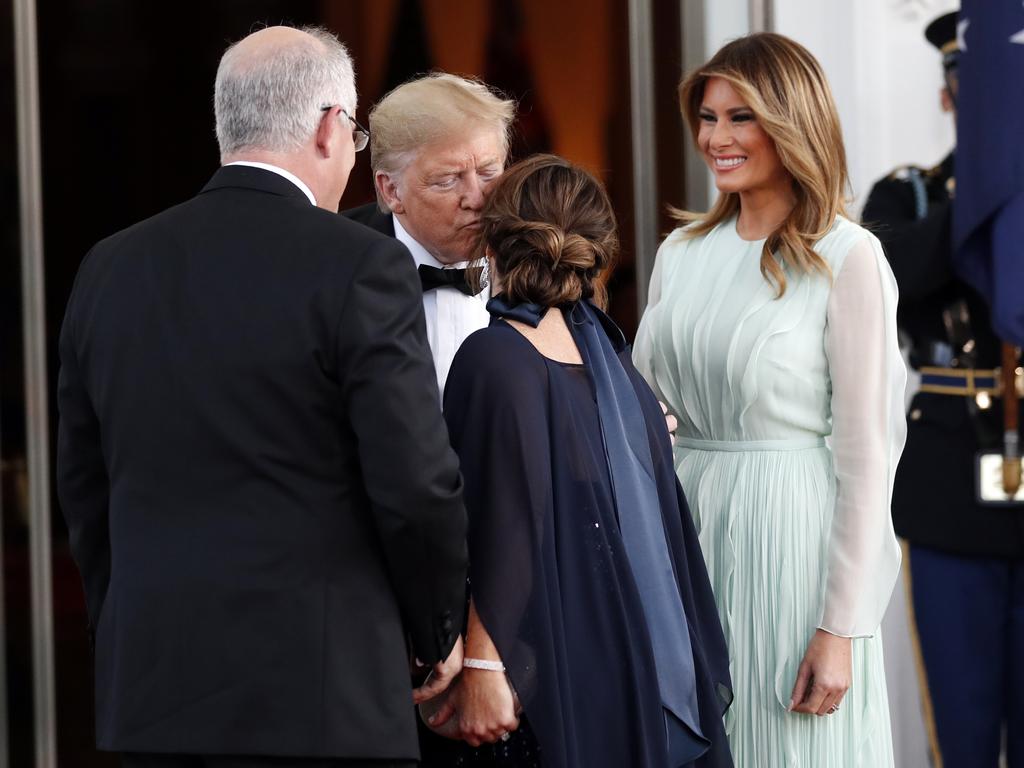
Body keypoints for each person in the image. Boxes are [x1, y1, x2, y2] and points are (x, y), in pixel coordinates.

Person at [56, 26, 468, 767]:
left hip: (154, 692)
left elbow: (84, 488)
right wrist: (436, 628)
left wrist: (129, 625)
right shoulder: (361, 263)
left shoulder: (109, 267)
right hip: (322, 698)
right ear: (328, 127)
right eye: (357, 135)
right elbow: (414, 482)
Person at [633, 33, 908, 766]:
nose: (714, 137)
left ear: (791, 123)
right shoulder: (681, 252)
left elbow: (867, 454)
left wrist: (842, 625)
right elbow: (642, 402)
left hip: (792, 541)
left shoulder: (849, 257)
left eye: (739, 117)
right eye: (708, 116)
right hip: (684, 529)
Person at [433, 154, 733, 768]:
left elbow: (504, 526)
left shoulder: (495, 358)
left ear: (495, 240)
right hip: (626, 656)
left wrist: (486, 665)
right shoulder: (613, 362)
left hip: (548, 666)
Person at [862, 11, 1024, 766]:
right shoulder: (910, 196)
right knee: (957, 725)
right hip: (952, 484)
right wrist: (987, 196)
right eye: (974, 81)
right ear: (950, 93)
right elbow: (891, 282)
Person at [344, 73, 515, 395]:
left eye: (488, 173)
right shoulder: (336, 261)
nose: (476, 199)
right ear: (391, 189)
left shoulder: (539, 256)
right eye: (448, 179)